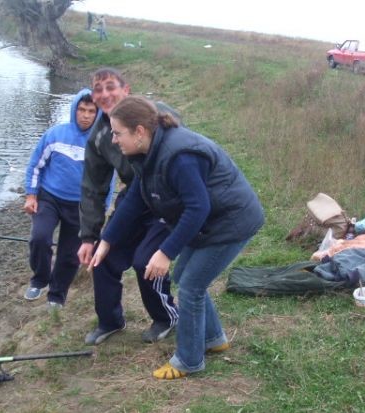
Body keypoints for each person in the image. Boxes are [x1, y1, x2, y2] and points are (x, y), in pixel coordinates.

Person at [89, 96, 265, 379]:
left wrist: (165, 252)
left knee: (191, 287)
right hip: (211, 221)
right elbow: (135, 198)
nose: (113, 139)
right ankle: (214, 339)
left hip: (232, 221)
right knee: (185, 277)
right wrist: (107, 240)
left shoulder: (179, 156)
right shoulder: (146, 153)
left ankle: (188, 360)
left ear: (139, 131)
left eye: (118, 132)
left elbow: (198, 208)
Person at [78, 68, 179, 345]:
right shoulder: (99, 136)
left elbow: (182, 151)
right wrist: (88, 236)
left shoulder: (155, 113)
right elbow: (93, 188)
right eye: (98, 89)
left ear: (126, 89)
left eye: (111, 87)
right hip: (134, 198)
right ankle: (110, 321)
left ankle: (166, 317)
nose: (105, 94)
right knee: (102, 257)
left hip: (166, 199)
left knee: (145, 261)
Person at [24, 88, 110, 309]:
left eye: (91, 111)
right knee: (40, 238)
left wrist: (101, 210)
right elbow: (35, 166)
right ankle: (40, 279)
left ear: (98, 114)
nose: (85, 115)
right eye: (81, 110)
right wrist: (31, 195)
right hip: (49, 198)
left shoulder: (102, 143)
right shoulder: (54, 134)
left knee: (70, 254)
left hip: (81, 205)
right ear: (74, 110)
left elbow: (106, 182)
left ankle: (57, 294)